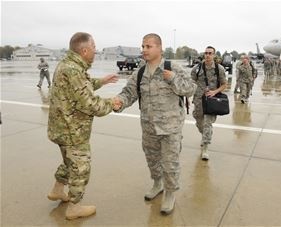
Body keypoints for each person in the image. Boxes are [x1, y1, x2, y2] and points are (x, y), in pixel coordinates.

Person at [113, 33, 196, 215]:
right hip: (149, 126)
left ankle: (170, 193)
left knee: (170, 163)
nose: (144, 50)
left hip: (170, 127)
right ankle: (157, 184)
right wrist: (119, 101)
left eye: (148, 46)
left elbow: (191, 88)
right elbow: (129, 93)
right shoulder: (140, 72)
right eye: (143, 46)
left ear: (159, 48)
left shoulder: (171, 67)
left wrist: (173, 78)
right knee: (152, 159)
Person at [47, 32, 120, 220]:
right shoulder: (74, 70)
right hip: (73, 131)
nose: (96, 50)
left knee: (68, 162)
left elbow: (79, 88)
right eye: (94, 47)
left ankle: (57, 190)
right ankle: (74, 208)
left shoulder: (68, 65)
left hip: (62, 128)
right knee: (80, 168)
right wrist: (113, 103)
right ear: (85, 50)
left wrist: (101, 81)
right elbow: (90, 104)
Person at [190, 46, 227, 160]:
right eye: (206, 53)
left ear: (214, 55)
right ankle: (206, 134)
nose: (207, 55)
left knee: (207, 123)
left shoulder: (219, 68)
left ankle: (205, 147)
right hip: (198, 99)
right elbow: (191, 81)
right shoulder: (197, 68)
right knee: (199, 121)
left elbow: (224, 85)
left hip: (211, 101)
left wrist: (214, 92)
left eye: (210, 53)